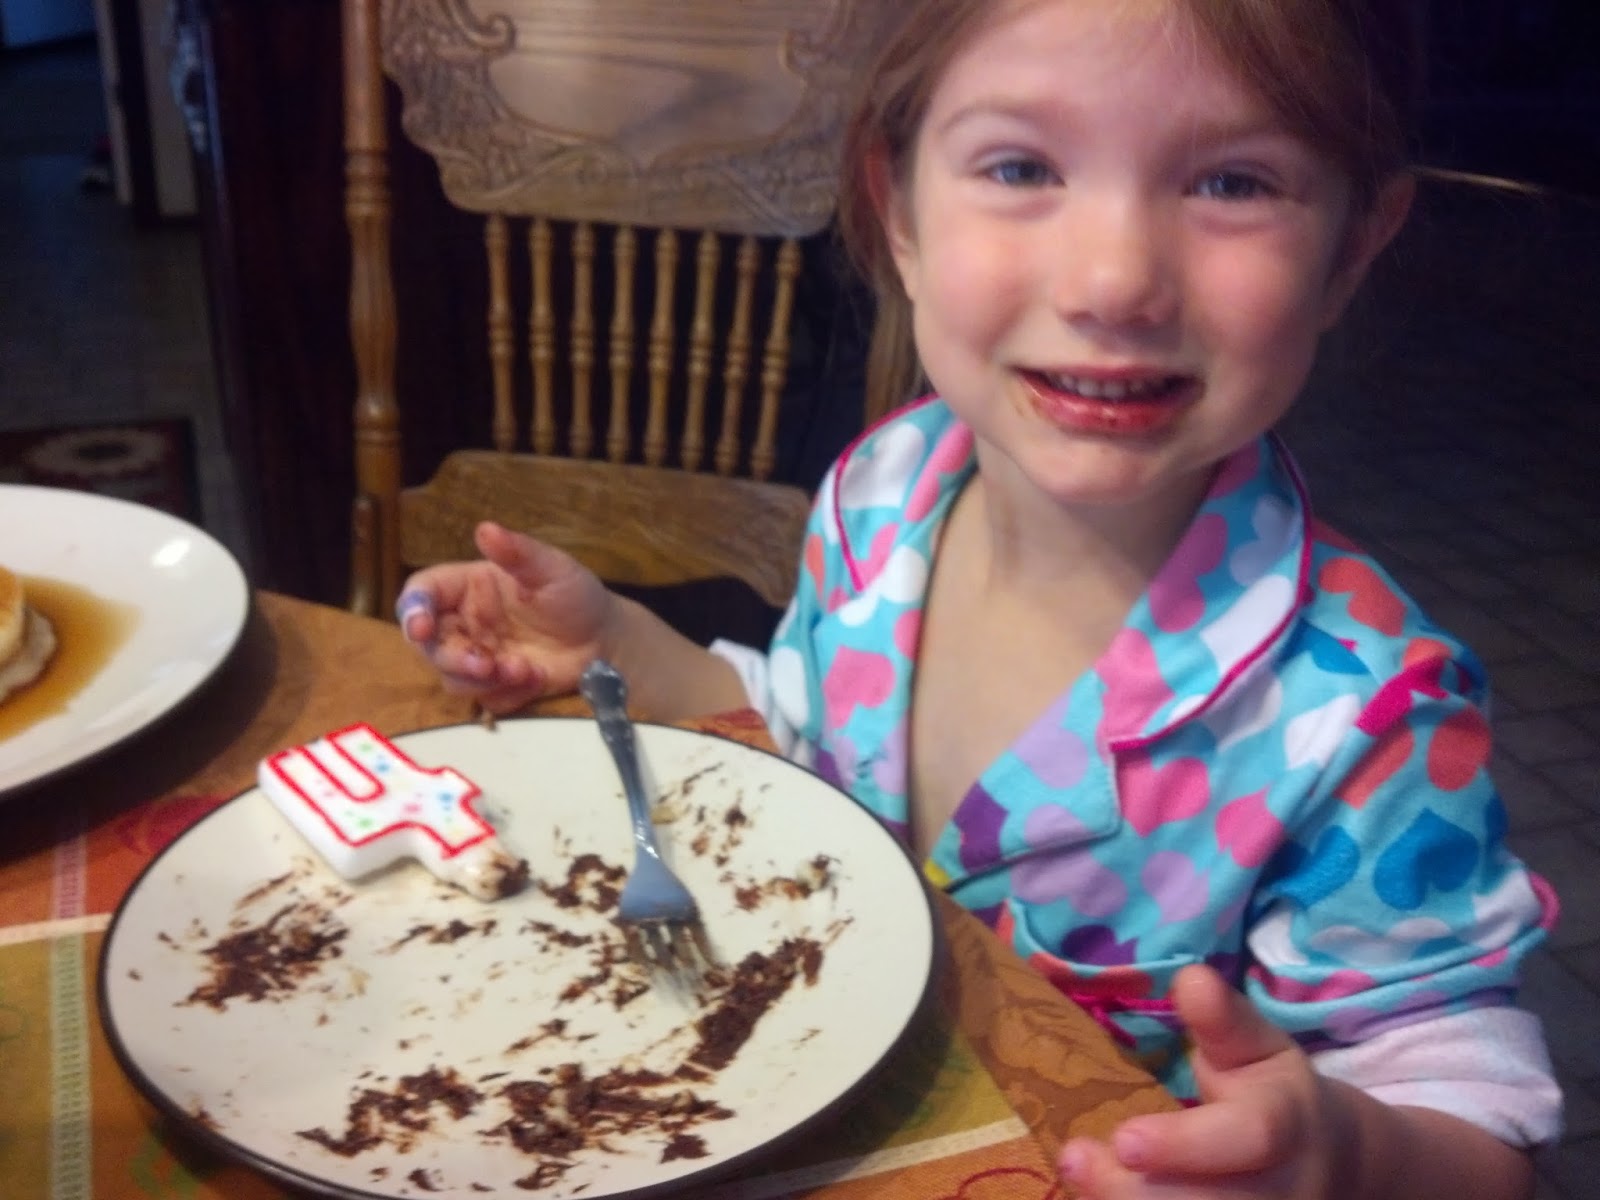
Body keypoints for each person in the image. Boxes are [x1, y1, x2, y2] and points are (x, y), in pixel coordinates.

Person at [394, 0, 1564, 1195]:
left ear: (1351, 249)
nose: (1113, 281)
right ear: (898, 211)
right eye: (1020, 168)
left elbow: (1484, 1124)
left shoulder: (1368, 719)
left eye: (1232, 183)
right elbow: (804, 748)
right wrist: (622, 647)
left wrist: (1344, 1153)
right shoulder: (882, 492)